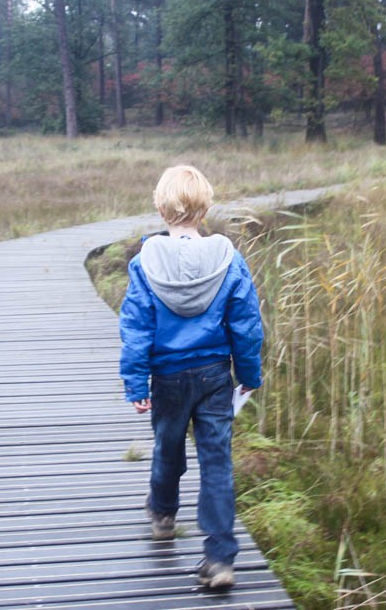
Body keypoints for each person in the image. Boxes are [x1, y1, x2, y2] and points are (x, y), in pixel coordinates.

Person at [119, 165, 263, 590]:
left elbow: (135, 327)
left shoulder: (144, 262)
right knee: (217, 462)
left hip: (167, 377)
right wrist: (249, 373)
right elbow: (246, 323)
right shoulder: (228, 258)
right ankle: (220, 559)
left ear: (161, 207)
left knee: (167, 447)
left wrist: (136, 383)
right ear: (204, 208)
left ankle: (163, 514)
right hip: (215, 376)